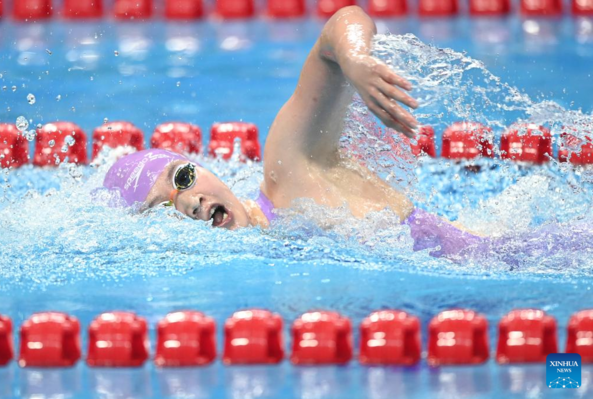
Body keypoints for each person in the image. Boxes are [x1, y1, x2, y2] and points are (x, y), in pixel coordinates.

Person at [103, 6, 483, 259]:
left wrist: (355, 59)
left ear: (203, 168)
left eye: (183, 178)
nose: (187, 203)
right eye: (163, 209)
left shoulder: (288, 171)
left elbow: (339, 25)